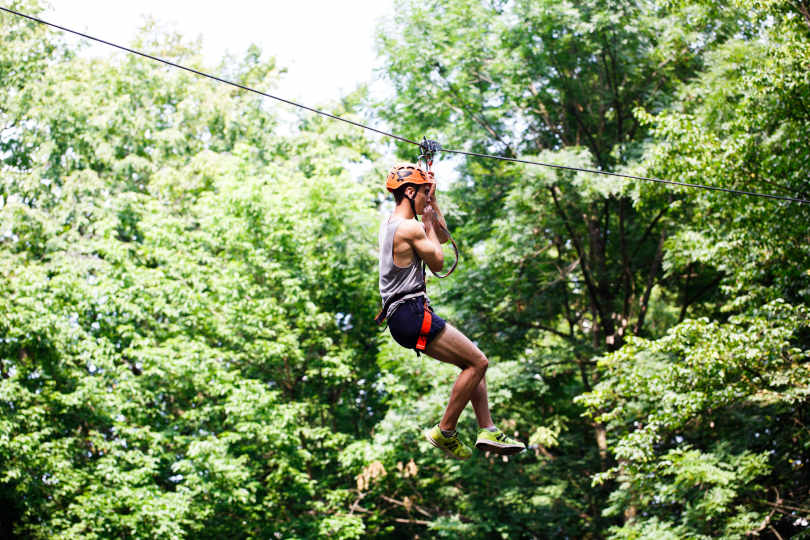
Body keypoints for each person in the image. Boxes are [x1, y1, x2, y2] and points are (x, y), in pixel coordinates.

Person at [377, 163, 525, 460]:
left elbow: (440, 237)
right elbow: (439, 261)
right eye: (421, 194)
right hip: (411, 313)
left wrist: (432, 202)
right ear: (409, 191)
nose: (424, 199)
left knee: (471, 363)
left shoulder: (391, 224)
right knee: (479, 362)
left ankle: (488, 429)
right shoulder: (410, 228)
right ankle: (444, 431)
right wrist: (429, 215)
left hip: (403, 317)